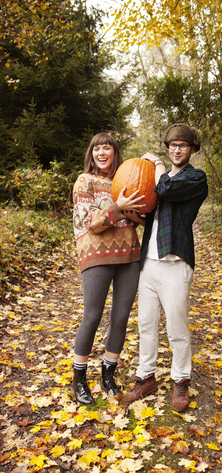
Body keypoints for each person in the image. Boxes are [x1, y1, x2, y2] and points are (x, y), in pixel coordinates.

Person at [122, 123, 208, 412]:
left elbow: (166, 189)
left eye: (182, 145)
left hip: (176, 263)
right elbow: (157, 217)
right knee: (145, 323)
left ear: (192, 149)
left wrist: (156, 163)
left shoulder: (195, 177)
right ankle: (146, 377)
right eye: (172, 145)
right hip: (150, 262)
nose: (176, 149)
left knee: (176, 327)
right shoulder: (157, 178)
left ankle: (181, 380)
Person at [71, 132, 146, 405]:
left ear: (115, 153)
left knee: (121, 317)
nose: (102, 153)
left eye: (107, 148)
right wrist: (119, 207)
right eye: (97, 149)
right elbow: (89, 221)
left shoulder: (125, 181)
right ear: (91, 155)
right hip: (96, 255)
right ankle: (78, 379)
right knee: (92, 316)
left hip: (129, 255)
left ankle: (108, 374)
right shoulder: (85, 181)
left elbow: (138, 218)